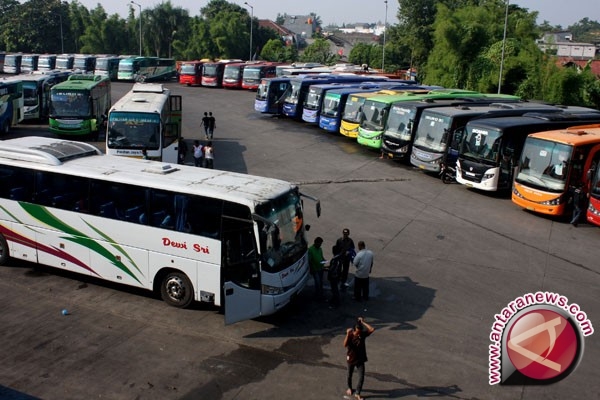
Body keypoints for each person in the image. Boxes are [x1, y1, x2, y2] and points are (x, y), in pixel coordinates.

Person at [344, 317, 375, 400]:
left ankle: (357, 393)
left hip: (360, 359)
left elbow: (372, 329)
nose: (358, 334)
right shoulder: (350, 335)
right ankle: (349, 388)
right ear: (354, 330)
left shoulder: (362, 334)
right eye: (357, 332)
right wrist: (347, 334)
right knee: (349, 375)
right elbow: (344, 345)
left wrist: (363, 322)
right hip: (351, 359)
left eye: (360, 332)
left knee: (361, 377)